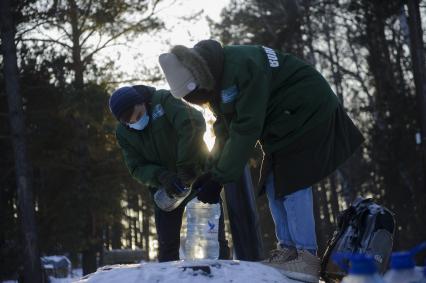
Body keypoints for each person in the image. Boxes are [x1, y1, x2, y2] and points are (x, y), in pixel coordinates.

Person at [158, 40, 364, 282]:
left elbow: (246, 129)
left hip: (307, 111)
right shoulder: (216, 77)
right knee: (273, 182)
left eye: (196, 97)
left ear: (199, 81)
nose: (200, 103)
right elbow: (225, 129)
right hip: (285, 122)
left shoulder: (241, 67)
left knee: (294, 181)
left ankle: (307, 257)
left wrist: (221, 178)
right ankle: (288, 251)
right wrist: (212, 171)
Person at [108, 84, 229, 262]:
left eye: (139, 116)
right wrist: (161, 176)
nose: (136, 123)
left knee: (212, 240)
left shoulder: (163, 100)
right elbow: (136, 167)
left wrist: (185, 166)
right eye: (130, 123)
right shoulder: (123, 133)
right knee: (167, 245)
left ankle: (223, 275)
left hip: (198, 177)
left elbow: (192, 123)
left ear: (143, 103)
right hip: (167, 190)